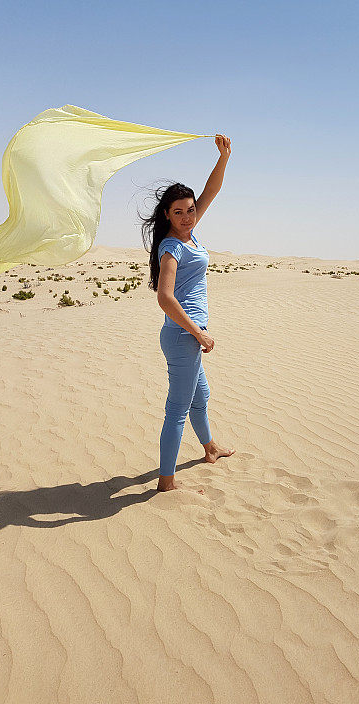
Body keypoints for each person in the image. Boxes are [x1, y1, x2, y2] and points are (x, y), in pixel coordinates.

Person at [141, 134, 236, 491]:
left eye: (190, 210)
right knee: (177, 409)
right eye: (178, 212)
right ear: (167, 215)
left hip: (186, 336)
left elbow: (209, 192)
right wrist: (198, 332)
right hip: (183, 336)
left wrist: (223, 158)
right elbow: (164, 298)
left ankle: (209, 448)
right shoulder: (171, 247)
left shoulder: (190, 234)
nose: (186, 216)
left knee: (202, 395)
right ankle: (166, 482)